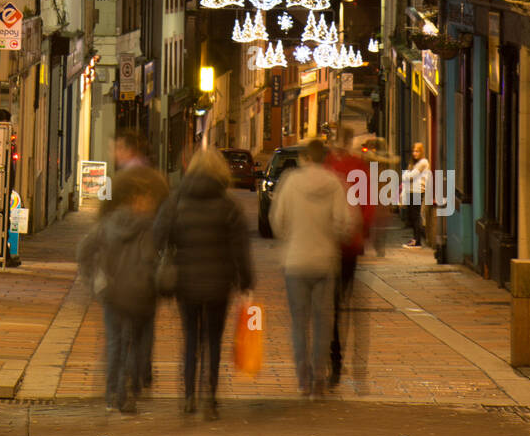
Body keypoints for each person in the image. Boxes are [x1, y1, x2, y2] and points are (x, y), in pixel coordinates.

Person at [153, 147, 252, 421]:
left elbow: (158, 236)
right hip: (219, 282)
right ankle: (211, 397)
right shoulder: (228, 205)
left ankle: (188, 398)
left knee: (190, 338)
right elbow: (240, 246)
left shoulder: (175, 201)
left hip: (185, 281)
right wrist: (246, 280)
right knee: (213, 340)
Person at [270, 139, 357, 400]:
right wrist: (332, 237)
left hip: (295, 262)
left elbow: (277, 220)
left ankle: (303, 379)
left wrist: (290, 238)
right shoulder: (335, 183)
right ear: (324, 158)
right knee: (322, 322)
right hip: (324, 261)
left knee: (299, 322)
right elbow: (347, 222)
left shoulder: (290, 182)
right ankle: (319, 377)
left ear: (306, 157)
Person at [77, 166, 166, 414]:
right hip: (139, 293)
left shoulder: (108, 224)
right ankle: (128, 391)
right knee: (135, 343)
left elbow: (84, 251)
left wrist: (94, 279)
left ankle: (112, 393)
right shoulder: (150, 227)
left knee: (115, 342)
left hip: (112, 293)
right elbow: (156, 260)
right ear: (138, 199)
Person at [324, 130, 371, 388]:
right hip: (349, 247)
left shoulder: (327, 165)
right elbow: (369, 207)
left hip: (329, 246)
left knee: (330, 306)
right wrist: (362, 232)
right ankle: (338, 357)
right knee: (340, 304)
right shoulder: (359, 167)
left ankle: (334, 358)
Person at [401, 143, 431, 248]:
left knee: (416, 216)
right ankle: (415, 239)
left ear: (421, 152)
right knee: (413, 216)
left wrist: (406, 175)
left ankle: (417, 241)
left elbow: (409, 176)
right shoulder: (415, 163)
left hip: (417, 191)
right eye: (413, 151)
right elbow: (406, 175)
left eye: (417, 151)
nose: (414, 153)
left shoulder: (423, 162)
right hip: (412, 191)